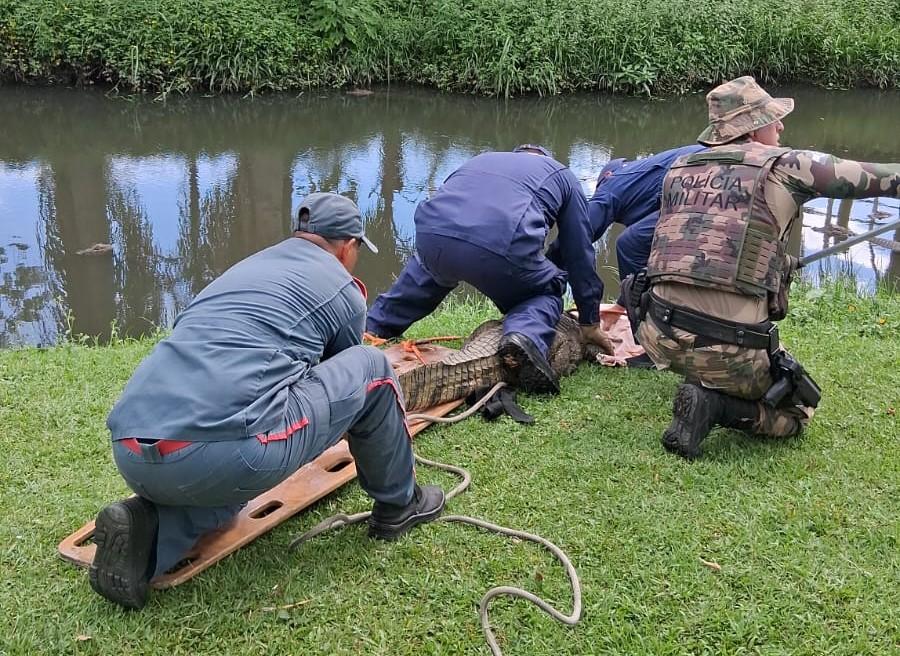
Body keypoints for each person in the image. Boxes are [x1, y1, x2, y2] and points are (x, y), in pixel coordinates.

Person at [90, 193, 445, 610]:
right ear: (349, 247)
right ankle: (400, 506)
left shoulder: (248, 268)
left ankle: (146, 539)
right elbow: (354, 387)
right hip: (223, 453)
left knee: (228, 487)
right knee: (372, 368)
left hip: (132, 450)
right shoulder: (344, 289)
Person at [636, 75, 900, 460]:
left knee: (713, 345)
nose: (780, 126)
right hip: (730, 349)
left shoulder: (679, 167)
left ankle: (707, 378)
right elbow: (883, 178)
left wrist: (781, 264)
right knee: (800, 408)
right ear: (754, 127)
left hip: (659, 335)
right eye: (772, 119)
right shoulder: (788, 166)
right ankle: (718, 408)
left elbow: (704, 249)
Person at [366, 145, 612, 394]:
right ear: (546, 158)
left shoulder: (481, 160)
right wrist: (589, 319)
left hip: (433, 233)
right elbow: (579, 252)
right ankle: (523, 338)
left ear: (515, 155)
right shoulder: (561, 174)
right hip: (503, 244)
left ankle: (371, 330)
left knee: (426, 275)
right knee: (544, 293)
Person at [546, 144, 705, 307]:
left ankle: (638, 312)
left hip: (705, 177)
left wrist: (546, 267)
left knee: (628, 243)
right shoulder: (644, 179)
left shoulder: (612, 184)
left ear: (607, 176)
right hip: (713, 181)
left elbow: (578, 232)